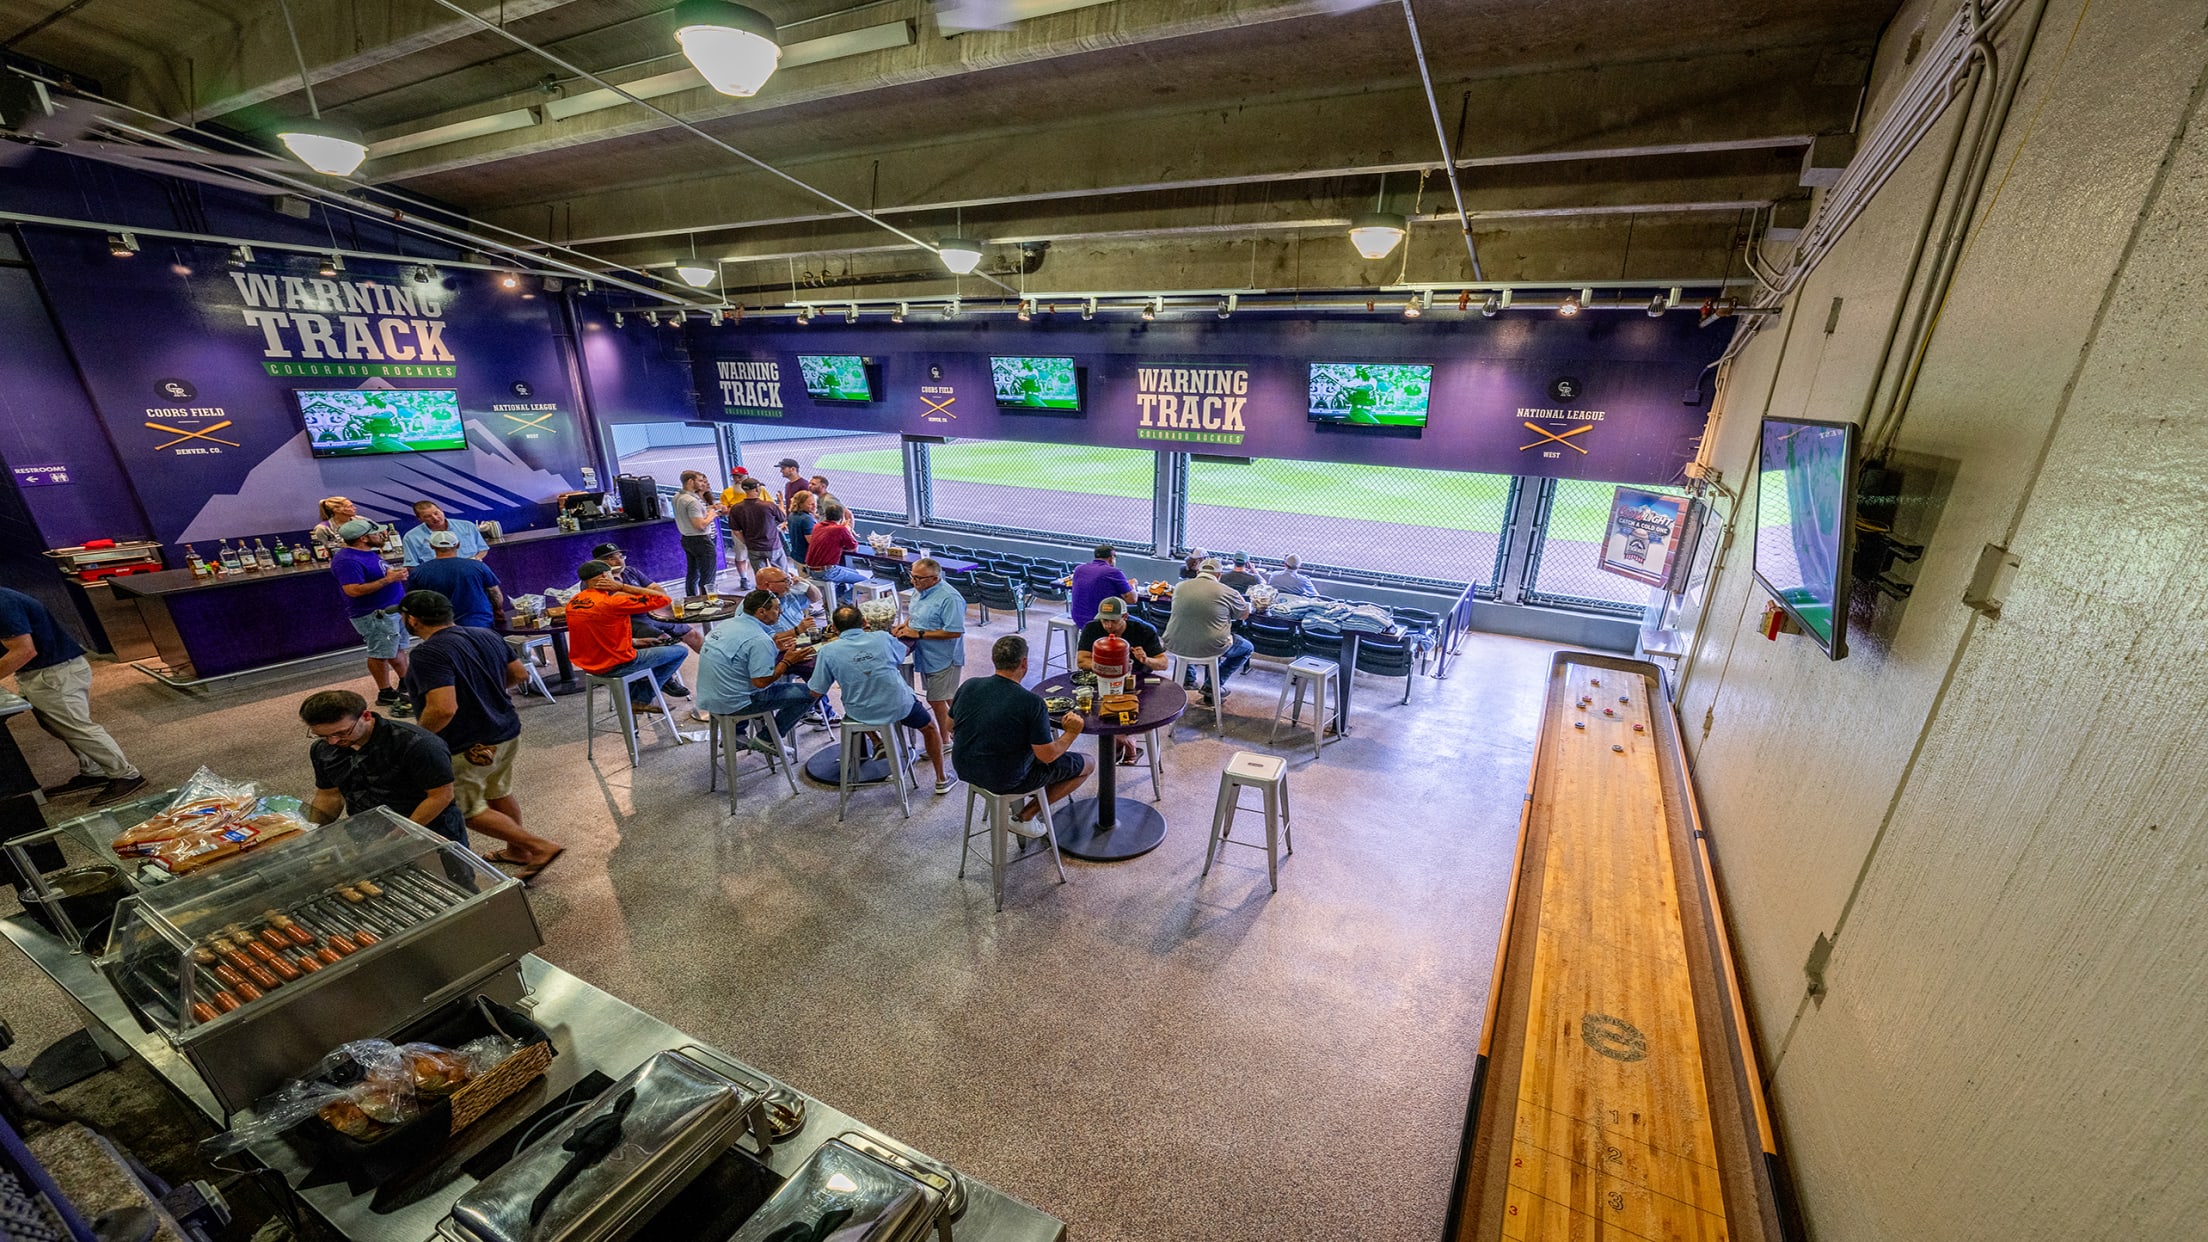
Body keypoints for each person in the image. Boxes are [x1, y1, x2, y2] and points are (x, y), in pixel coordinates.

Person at [397, 591, 563, 876]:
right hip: (505, 731)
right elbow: (519, 674)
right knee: (498, 791)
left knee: (462, 807)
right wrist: (490, 694)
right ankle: (517, 851)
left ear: (411, 619)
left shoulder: (427, 654)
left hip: (467, 743)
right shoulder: (485, 634)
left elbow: (443, 709)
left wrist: (418, 740)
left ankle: (538, 846)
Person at [0, 587, 144, 806]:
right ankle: (93, 771)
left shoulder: (3, 603)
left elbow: (24, 650)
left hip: (54, 673)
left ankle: (126, 775)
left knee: (77, 727)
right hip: (44, 671)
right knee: (59, 725)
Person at [808, 605, 952, 795]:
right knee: (930, 728)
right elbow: (900, 655)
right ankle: (941, 778)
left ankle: (877, 741)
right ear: (865, 622)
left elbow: (816, 691)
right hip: (900, 706)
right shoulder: (883, 638)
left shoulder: (828, 651)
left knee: (851, 705)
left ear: (834, 628)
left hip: (861, 711)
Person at [949, 635, 1088, 830]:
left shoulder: (969, 685)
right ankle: (1025, 817)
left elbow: (949, 726)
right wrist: (1072, 733)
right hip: (1006, 778)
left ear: (993, 659)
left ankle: (1029, 801)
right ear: (1024, 663)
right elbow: (1048, 756)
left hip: (964, 768)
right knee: (1088, 763)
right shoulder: (1031, 702)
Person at [300, 689, 467, 844]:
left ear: (365, 716)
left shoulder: (417, 744)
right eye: (322, 736)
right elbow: (329, 795)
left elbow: (441, 796)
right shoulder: (322, 749)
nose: (333, 742)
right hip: (367, 832)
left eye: (342, 733)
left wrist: (395, 837)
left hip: (429, 830)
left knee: (450, 876)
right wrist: (310, 833)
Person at [566, 559, 690, 712]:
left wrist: (634, 642)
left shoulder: (573, 602)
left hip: (589, 665)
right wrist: (622, 586)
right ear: (605, 576)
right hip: (616, 664)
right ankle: (640, 699)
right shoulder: (613, 600)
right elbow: (663, 599)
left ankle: (633, 696)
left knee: (650, 648)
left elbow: (597, 635)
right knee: (680, 651)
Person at [696, 590, 817, 746]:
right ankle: (767, 739)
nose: (780, 612)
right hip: (737, 703)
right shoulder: (759, 640)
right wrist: (787, 661)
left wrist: (774, 649)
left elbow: (741, 657)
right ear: (761, 612)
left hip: (709, 697)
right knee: (812, 692)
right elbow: (761, 682)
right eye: (776, 608)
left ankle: (740, 734)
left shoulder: (727, 624)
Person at [330, 518, 413, 716]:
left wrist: (393, 575)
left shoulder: (367, 553)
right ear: (364, 538)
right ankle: (385, 692)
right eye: (376, 533)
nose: (382, 535)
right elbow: (353, 590)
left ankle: (406, 682)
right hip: (375, 615)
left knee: (397, 648)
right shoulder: (347, 560)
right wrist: (388, 579)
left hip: (392, 610)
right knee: (380, 652)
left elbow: (376, 577)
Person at [1076, 596, 1166, 766]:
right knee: (1097, 714)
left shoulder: (1144, 630)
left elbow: (1163, 663)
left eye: (1113, 621)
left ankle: (1120, 743)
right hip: (1101, 679)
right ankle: (1125, 741)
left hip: (1138, 681)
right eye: (1104, 620)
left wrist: (1146, 660)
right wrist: (1106, 667)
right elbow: (1081, 661)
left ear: (1125, 617)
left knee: (1132, 712)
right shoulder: (1092, 628)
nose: (1108, 626)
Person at [1164, 558, 1252, 708]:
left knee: (1189, 635)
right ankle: (1212, 686)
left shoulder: (1179, 587)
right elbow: (1243, 615)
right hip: (1211, 646)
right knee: (1247, 648)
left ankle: (1188, 679)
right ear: (1219, 575)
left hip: (1174, 643)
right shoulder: (1228, 592)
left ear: (1198, 572)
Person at [894, 558, 965, 743]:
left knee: (936, 700)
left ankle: (945, 741)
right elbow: (915, 612)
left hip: (944, 658)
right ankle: (963, 730)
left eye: (919, 578)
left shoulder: (950, 598)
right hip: (926, 656)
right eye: (912, 576)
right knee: (947, 697)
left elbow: (955, 631)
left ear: (935, 578)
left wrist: (918, 633)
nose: (913, 581)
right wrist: (904, 625)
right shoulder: (920, 590)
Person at [594, 542, 702, 654]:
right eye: (612, 559)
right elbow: (630, 602)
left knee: (693, 635)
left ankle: (714, 664)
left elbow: (661, 593)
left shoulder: (631, 571)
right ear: (599, 563)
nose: (620, 561)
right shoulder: (598, 581)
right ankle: (665, 669)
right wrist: (650, 596)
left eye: (621, 556)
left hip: (651, 614)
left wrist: (625, 588)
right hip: (628, 621)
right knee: (664, 641)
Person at [406, 531, 505, 628]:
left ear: (431, 546)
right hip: (479, 623)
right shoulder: (477, 566)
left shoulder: (418, 572)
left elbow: (414, 601)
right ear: (458, 545)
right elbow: (494, 592)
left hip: (441, 628)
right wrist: (498, 610)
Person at [673, 470, 726, 598]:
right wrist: (712, 515)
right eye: (700, 481)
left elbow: (693, 516)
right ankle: (707, 603)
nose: (703, 484)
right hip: (701, 541)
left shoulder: (677, 497)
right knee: (707, 576)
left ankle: (691, 599)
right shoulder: (692, 501)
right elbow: (700, 525)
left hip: (687, 539)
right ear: (691, 481)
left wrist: (709, 510)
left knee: (693, 572)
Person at [803, 503, 867, 608]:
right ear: (841, 517)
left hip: (811, 570)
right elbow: (854, 548)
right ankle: (843, 600)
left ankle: (832, 600)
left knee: (853, 573)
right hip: (827, 571)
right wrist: (847, 530)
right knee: (864, 581)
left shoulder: (818, 526)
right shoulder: (840, 530)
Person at [401, 500, 488, 566]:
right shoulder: (411, 537)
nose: (435, 518)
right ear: (419, 519)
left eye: (436, 513)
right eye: (427, 516)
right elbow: (411, 565)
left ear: (441, 510)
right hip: (437, 578)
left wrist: (477, 559)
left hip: (472, 571)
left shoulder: (467, 526)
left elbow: (483, 548)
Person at [730, 476, 790, 573]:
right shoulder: (769, 506)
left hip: (753, 547)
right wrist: (781, 503)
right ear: (757, 489)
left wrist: (746, 542)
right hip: (772, 545)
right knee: (782, 575)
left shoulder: (736, 508)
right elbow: (782, 517)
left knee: (761, 577)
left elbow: (736, 531)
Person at [1069, 544, 1136, 627]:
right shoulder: (1113, 572)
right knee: (1148, 628)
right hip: (1102, 621)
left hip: (1079, 619)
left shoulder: (1079, 569)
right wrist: (1132, 585)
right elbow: (1132, 599)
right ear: (1111, 558)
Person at [784, 489, 819, 563]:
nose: (814, 506)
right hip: (807, 558)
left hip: (797, 555)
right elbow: (812, 541)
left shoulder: (792, 515)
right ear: (800, 504)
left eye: (815, 503)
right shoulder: (807, 519)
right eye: (810, 504)